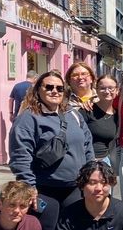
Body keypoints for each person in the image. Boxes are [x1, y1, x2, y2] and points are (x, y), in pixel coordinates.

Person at [9, 70, 94, 215]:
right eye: (49, 87)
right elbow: (20, 155)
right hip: (44, 189)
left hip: (75, 187)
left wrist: (90, 177)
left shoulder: (73, 114)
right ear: (38, 90)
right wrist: (29, 186)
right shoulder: (29, 118)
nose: (54, 91)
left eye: (59, 88)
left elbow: (87, 147)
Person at [84, 74, 120, 166]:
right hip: (88, 161)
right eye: (102, 88)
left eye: (111, 88)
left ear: (117, 90)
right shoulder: (87, 110)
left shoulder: (117, 114)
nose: (107, 91)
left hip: (107, 162)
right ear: (96, 90)